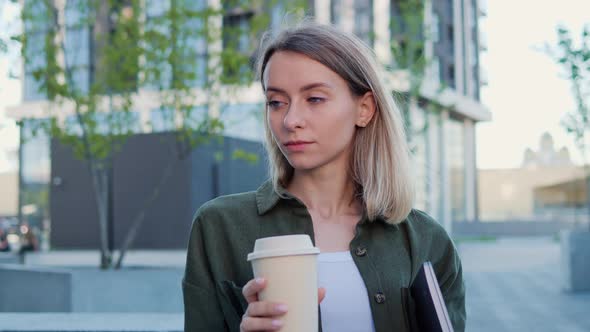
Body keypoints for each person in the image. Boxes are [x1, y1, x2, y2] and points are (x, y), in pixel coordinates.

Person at [183, 22, 465, 332]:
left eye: (314, 99)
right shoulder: (219, 227)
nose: (291, 120)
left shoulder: (427, 240)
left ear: (365, 109)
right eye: (276, 102)